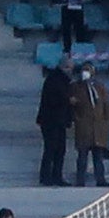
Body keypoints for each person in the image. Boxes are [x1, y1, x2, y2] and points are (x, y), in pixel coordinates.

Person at [70, 62, 109, 187]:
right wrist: (77, 119)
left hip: (98, 127)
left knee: (98, 157)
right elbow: (72, 106)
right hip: (83, 126)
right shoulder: (75, 87)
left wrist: (105, 122)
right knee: (82, 156)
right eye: (84, 70)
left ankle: (100, 179)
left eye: (88, 70)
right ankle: (80, 180)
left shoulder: (100, 87)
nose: (85, 73)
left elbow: (106, 106)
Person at [35, 55, 73, 186]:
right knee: (51, 149)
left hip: (59, 121)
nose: (70, 70)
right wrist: (68, 100)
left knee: (60, 150)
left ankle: (56, 176)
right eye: (68, 67)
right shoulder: (54, 79)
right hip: (50, 120)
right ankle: (46, 177)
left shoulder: (63, 80)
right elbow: (54, 100)